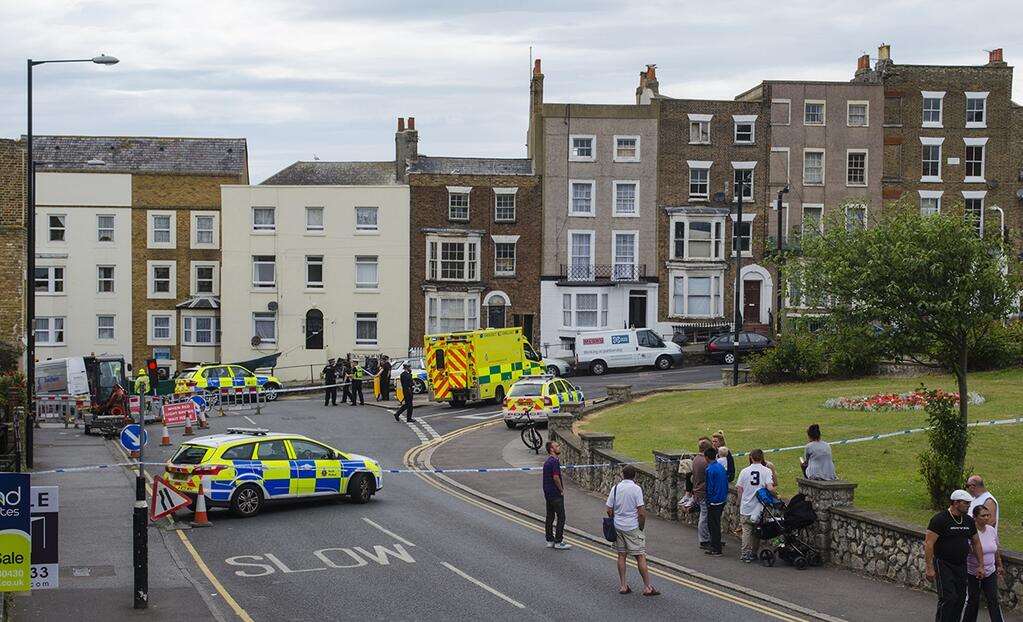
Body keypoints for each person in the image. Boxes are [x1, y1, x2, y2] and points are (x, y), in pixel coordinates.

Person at [925, 490, 985, 622]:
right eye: (966, 503)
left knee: (960, 598)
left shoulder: (968, 520)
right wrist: (929, 567)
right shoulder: (940, 519)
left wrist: (981, 565)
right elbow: (929, 544)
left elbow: (976, 543)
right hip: (943, 564)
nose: (969, 505)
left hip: (961, 565)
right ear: (956, 503)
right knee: (948, 598)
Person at [606, 465, 659, 596]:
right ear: (634, 476)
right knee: (640, 556)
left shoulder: (616, 488)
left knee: (621, 555)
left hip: (618, 526)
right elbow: (641, 512)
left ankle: (623, 586)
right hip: (632, 526)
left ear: (622, 475)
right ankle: (647, 587)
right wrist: (641, 527)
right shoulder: (636, 489)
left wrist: (615, 519)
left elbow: (608, 509)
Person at [964, 504, 1005, 622]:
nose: (987, 518)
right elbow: (969, 550)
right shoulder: (970, 532)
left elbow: (996, 549)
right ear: (975, 517)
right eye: (983, 516)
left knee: (993, 600)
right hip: (974, 572)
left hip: (990, 571)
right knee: (973, 600)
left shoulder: (991, 530)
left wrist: (1000, 565)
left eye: (988, 515)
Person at [736, 449, 775, 563]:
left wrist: (739, 502)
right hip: (759, 508)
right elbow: (770, 487)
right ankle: (754, 553)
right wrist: (775, 495)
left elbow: (739, 489)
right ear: (762, 457)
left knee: (746, 531)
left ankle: (745, 554)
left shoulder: (744, 471)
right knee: (757, 530)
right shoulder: (767, 471)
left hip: (746, 506)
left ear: (751, 458)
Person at [542, 441, 571, 550]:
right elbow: (555, 477)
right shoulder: (554, 462)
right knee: (561, 517)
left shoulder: (547, 462)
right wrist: (561, 489)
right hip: (555, 493)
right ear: (551, 449)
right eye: (557, 446)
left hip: (548, 493)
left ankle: (549, 540)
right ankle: (558, 541)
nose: (559, 447)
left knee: (550, 516)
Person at [703, 447, 728, 557]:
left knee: (713, 525)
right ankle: (716, 545)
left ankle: (716, 548)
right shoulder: (720, 467)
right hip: (722, 499)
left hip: (714, 501)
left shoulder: (710, 469)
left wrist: (708, 500)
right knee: (716, 524)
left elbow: (709, 487)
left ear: (707, 458)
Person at [691, 437, 713, 550]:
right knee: (704, 517)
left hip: (698, 491)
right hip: (703, 492)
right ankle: (704, 540)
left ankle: (708, 538)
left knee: (705, 516)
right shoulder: (705, 462)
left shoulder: (696, 459)